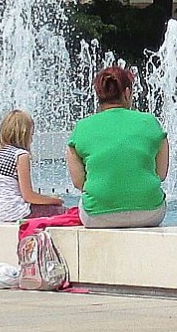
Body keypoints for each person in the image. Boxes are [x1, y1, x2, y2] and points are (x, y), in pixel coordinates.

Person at [66, 65, 170, 228]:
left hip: (97, 215)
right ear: (127, 92)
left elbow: (79, 183)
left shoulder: (82, 127)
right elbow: (161, 174)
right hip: (150, 212)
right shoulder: (150, 122)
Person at [0, 110, 67, 225]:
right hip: (15, 213)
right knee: (64, 212)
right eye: (32, 134)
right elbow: (28, 196)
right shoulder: (20, 155)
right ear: (25, 134)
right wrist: (55, 200)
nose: (32, 139)